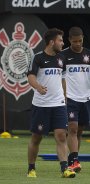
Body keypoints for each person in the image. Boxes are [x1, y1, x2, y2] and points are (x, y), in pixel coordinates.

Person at [27, 28, 75, 178]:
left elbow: (63, 79)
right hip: (41, 105)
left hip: (59, 104)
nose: (63, 43)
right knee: (37, 137)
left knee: (61, 135)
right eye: (60, 40)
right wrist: (38, 86)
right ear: (52, 42)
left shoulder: (62, 59)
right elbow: (31, 77)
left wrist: (65, 97)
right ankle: (31, 169)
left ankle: (64, 169)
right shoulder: (38, 58)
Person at [61, 26, 90, 173]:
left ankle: (74, 159)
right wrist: (64, 96)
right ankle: (74, 162)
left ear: (83, 38)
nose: (78, 44)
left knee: (79, 132)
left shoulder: (88, 55)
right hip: (71, 98)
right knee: (72, 129)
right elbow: (61, 78)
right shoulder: (64, 56)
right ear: (69, 40)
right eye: (75, 41)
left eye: (80, 41)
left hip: (86, 99)